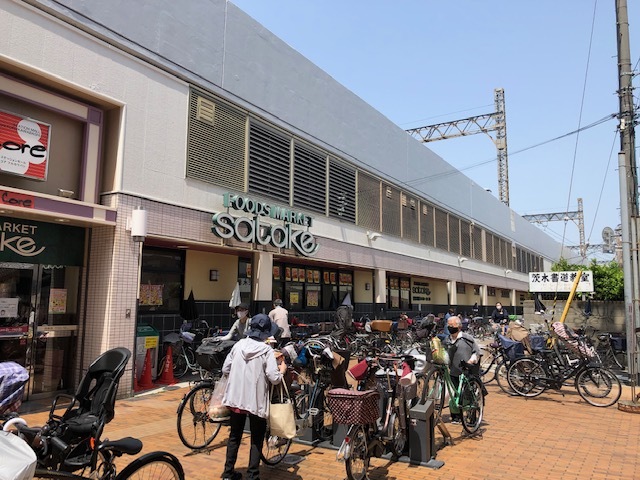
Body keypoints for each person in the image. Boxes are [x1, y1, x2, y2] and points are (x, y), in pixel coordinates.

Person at [221, 313, 287, 480]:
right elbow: (274, 377)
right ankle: (252, 475)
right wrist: (282, 371)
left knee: (234, 435)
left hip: (235, 398)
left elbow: (225, 369)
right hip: (255, 400)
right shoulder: (266, 350)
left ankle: (228, 473)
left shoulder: (238, 345)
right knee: (256, 438)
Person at [445, 315, 481, 424]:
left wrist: (471, 361)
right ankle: (455, 416)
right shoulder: (446, 340)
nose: (450, 327)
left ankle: (472, 415)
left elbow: (476, 352)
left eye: (452, 325)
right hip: (453, 371)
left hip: (467, 370)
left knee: (468, 393)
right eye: (449, 325)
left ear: (459, 327)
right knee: (454, 394)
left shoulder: (467, 338)